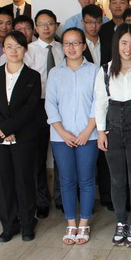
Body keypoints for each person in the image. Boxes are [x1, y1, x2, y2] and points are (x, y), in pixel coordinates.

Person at [0, 31, 41, 243]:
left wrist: (9, 128)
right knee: (4, 181)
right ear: (3, 50)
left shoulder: (33, 76)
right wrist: (2, 129)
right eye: (9, 46)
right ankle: (8, 225)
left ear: (25, 49)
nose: (13, 51)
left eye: (18, 46)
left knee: (24, 180)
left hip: (24, 135)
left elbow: (30, 107)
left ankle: (27, 223)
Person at [95, 25, 131, 247]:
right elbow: (100, 103)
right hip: (113, 131)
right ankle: (120, 221)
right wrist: (100, 132)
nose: (128, 48)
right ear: (116, 44)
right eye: (124, 42)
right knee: (117, 180)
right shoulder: (105, 70)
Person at [46, 28, 99, 245]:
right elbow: (50, 104)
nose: (71, 47)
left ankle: (84, 223)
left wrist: (87, 130)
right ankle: (71, 223)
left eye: (76, 43)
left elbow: (99, 102)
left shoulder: (95, 71)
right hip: (61, 137)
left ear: (84, 46)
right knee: (66, 181)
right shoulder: (55, 73)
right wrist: (62, 132)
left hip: (89, 135)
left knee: (86, 180)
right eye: (67, 43)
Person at [24, 10, 64, 218]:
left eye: (50, 23)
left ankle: (61, 198)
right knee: (38, 157)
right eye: (41, 24)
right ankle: (41, 201)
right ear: (35, 28)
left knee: (61, 155)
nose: (46, 28)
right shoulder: (29, 51)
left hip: (61, 106)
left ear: (56, 25)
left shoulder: (63, 48)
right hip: (37, 106)